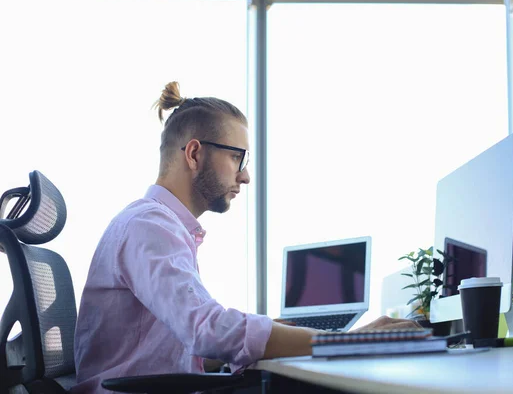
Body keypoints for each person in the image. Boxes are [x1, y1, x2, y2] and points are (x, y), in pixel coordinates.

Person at [72, 81, 420, 393]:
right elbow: (206, 329)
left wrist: (273, 334)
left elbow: (179, 345)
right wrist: (351, 342)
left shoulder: (158, 226)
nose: (246, 176)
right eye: (237, 157)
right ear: (194, 154)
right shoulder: (150, 226)